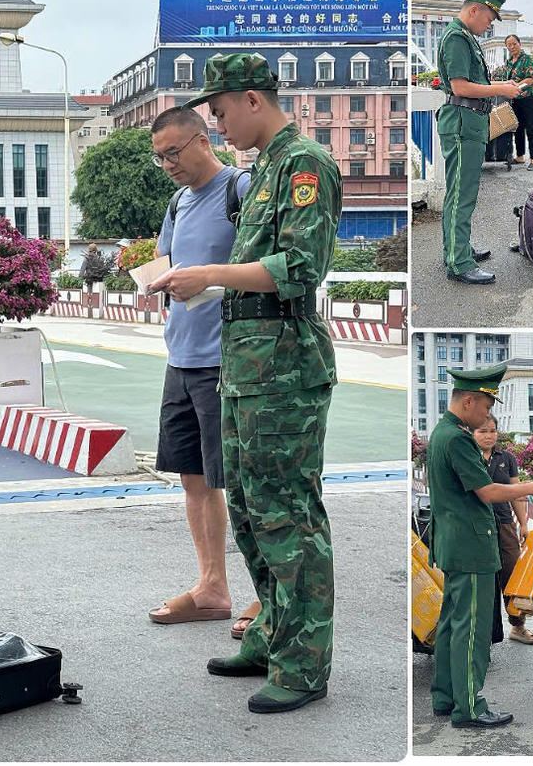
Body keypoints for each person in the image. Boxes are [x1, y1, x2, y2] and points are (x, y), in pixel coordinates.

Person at [152, 52, 342, 715]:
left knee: (290, 513)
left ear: (253, 99)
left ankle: (304, 661)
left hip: (285, 367)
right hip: (245, 366)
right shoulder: (262, 173)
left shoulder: (302, 164)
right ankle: (268, 635)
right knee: (254, 514)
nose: (220, 123)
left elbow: (299, 265)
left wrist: (209, 275)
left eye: (222, 111)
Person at [145, 105, 260, 638]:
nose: (167, 164)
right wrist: (154, 280)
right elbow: (169, 261)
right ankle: (212, 587)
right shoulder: (177, 201)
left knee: (239, 481)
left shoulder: (241, 190)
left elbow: (271, 266)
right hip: (181, 355)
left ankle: (269, 594)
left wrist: (208, 279)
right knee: (194, 476)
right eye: (159, 156)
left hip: (228, 358)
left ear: (203, 139)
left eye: (173, 152)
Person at [425, 363, 533, 729]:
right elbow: (489, 491)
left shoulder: (441, 433)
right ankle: (470, 707)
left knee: (451, 623)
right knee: (472, 629)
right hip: (472, 546)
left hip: (453, 543)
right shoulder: (459, 439)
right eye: (485, 407)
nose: (487, 415)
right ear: (467, 403)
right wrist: (531, 487)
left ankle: (446, 696)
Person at [436, 0, 523, 285]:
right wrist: (501, 88)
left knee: (458, 192)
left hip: (467, 122)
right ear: (474, 10)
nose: (489, 26)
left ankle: (456, 249)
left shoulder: (464, 37)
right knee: (462, 195)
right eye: (488, 19)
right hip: (463, 122)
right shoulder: (457, 38)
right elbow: (460, 87)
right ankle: (459, 262)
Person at [471, 414, 533, 645]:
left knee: (512, 575)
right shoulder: (468, 457)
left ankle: (518, 626)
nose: (488, 436)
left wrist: (524, 524)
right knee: (485, 580)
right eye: (482, 431)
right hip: (477, 528)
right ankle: (483, 633)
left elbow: (516, 492)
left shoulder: (506, 457)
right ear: (472, 432)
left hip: (505, 524)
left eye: (492, 431)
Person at [502, 36, 533, 170]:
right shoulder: (509, 62)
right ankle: (520, 156)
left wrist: (517, 85)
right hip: (514, 99)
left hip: (527, 98)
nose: (512, 47)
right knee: (517, 128)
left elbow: (531, 79)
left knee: (531, 129)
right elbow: (504, 79)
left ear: (519, 44)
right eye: (509, 45)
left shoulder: (527, 59)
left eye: (514, 44)